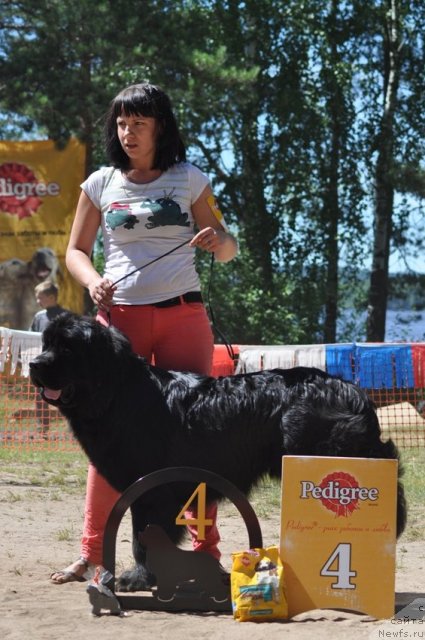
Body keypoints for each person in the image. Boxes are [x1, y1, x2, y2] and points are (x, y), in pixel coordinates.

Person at [50, 82, 238, 584]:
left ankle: (206, 549)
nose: (127, 132)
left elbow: (229, 248)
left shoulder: (190, 179)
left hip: (183, 317)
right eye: (120, 123)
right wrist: (92, 282)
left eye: (138, 122)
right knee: (104, 438)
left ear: (160, 127)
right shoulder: (100, 183)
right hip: (118, 326)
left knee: (199, 437)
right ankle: (94, 553)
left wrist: (215, 239)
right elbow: (74, 251)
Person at [29, 280, 68, 437]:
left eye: (40, 297)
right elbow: (31, 336)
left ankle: (71, 427)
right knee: (41, 395)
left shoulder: (64, 316)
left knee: (64, 395)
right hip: (42, 366)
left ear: (52, 297)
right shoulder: (39, 317)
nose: (38, 301)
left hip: (59, 366)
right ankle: (42, 428)